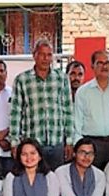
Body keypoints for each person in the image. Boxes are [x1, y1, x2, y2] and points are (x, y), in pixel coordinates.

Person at [10, 38, 74, 170]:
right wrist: (14, 142)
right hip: (32, 145)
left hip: (57, 142)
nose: (46, 58)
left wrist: (69, 141)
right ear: (34, 56)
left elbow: (68, 111)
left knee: (56, 179)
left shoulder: (62, 78)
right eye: (42, 54)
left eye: (49, 55)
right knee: (34, 179)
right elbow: (16, 113)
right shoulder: (22, 79)